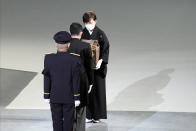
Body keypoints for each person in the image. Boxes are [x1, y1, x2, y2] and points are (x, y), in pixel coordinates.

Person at [42, 31, 81, 131]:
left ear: (55, 44)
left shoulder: (49, 58)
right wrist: (77, 97)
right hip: (69, 96)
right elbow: (75, 79)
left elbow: (47, 77)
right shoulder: (75, 59)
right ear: (69, 44)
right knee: (69, 121)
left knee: (56, 121)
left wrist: (46, 95)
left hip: (54, 96)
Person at [81, 11, 110, 123]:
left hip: (98, 67)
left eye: (91, 22)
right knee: (86, 90)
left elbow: (106, 48)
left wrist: (101, 60)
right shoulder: (81, 34)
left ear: (95, 21)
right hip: (85, 67)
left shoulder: (101, 33)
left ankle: (97, 115)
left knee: (97, 90)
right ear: (84, 23)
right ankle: (87, 115)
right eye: (87, 22)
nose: (90, 24)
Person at [68, 22, 93, 131]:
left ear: (69, 32)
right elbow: (89, 66)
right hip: (82, 81)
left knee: (68, 110)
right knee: (81, 110)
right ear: (81, 33)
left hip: (67, 81)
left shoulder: (65, 45)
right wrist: (91, 82)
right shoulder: (86, 46)